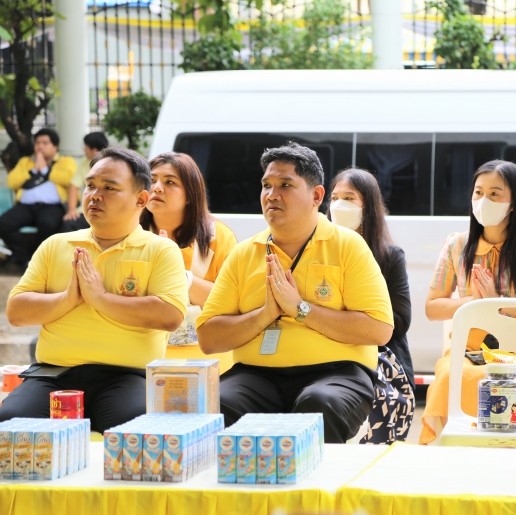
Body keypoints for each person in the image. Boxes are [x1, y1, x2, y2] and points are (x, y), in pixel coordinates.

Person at [196, 142, 394, 443]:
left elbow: (379, 330)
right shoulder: (244, 253)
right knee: (218, 405)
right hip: (256, 374)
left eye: (285, 185)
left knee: (319, 405)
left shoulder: (348, 246)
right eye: (266, 185)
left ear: (316, 196)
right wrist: (265, 315)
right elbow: (209, 338)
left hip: (337, 374)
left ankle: (313, 491)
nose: (271, 195)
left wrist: (300, 309)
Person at [0, 147, 188, 432]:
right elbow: (17, 312)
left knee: (136, 428)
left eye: (109, 188)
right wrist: (68, 298)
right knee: (12, 424)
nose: (94, 195)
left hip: (126, 376)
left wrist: (100, 298)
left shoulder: (161, 250)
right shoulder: (56, 244)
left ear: (141, 199)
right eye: (90, 185)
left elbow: (170, 315)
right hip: (53, 375)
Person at [420, 160, 516, 444]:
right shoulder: (456, 245)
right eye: (478, 192)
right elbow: (432, 307)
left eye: (495, 194)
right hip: (469, 350)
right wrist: (474, 301)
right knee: (450, 375)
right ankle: (463, 448)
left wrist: (496, 304)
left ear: (514, 203)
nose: (484, 200)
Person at [328, 168, 415, 443]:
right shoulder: (317, 250)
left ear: (368, 207)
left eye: (349, 198)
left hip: (379, 354)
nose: (339, 205)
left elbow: (400, 320)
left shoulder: (389, 256)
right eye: (334, 197)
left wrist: (355, 318)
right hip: (326, 351)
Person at [141, 152, 238, 371]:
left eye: (170, 182)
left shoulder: (218, 237)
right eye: (152, 180)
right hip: (142, 352)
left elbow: (230, 302)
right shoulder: (131, 234)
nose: (157, 187)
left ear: (190, 195)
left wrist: (179, 275)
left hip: (206, 355)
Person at [0, 128, 77, 269]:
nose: (40, 146)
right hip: (26, 206)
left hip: (52, 206)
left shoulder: (65, 161)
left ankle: (39, 260)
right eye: (37, 143)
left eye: (45, 143)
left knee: (48, 224)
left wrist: (46, 170)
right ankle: (24, 258)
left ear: (55, 146)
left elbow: (70, 179)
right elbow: (12, 182)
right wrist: (34, 170)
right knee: (4, 223)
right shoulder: (25, 162)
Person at [62, 132, 109, 232]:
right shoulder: (85, 162)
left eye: (86, 146)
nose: (84, 149)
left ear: (94, 150)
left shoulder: (113, 163)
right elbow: (74, 186)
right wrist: (71, 210)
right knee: (68, 223)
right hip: (88, 209)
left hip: (108, 210)